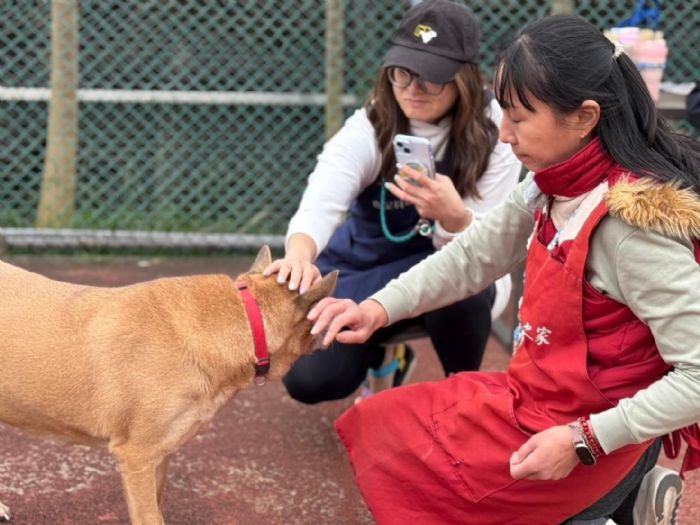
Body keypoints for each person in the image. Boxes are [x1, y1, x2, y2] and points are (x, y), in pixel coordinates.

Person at [307, 14, 700, 525]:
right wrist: (379, 309)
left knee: (442, 493)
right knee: (383, 425)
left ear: (583, 117)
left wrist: (584, 440)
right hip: (536, 399)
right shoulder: (548, 184)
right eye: (503, 114)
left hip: (593, 431)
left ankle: (620, 489)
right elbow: (472, 256)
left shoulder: (631, 226)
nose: (506, 135)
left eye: (519, 117)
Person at [264, 0, 521, 403]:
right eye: (403, 73)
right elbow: (321, 200)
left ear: (464, 79)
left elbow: (492, 245)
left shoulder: (495, 128)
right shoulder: (372, 123)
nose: (412, 90)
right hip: (367, 265)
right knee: (311, 381)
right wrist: (300, 253)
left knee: (466, 284)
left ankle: (459, 396)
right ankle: (387, 356)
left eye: (430, 79)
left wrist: (455, 218)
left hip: (450, 264)